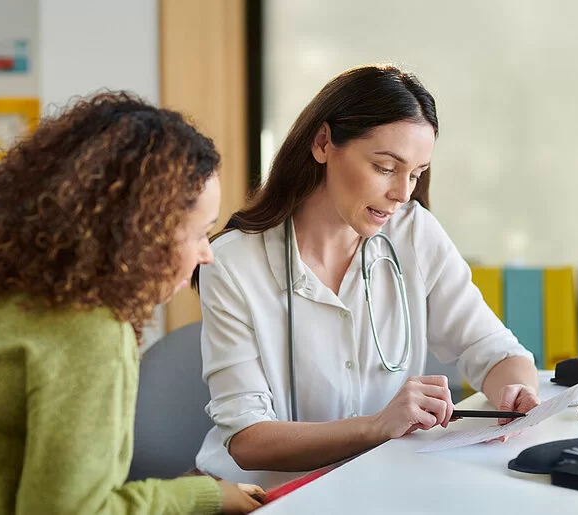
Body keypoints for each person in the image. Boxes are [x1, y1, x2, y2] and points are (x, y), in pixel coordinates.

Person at [0, 92, 263, 514]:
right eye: (197, 233)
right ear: (139, 234)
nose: (206, 253)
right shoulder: (89, 330)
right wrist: (203, 496)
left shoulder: (14, 296)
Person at [192, 65, 541, 488]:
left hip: (374, 485)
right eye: (385, 167)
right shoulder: (233, 262)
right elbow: (247, 442)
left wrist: (518, 393)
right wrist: (378, 426)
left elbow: (497, 352)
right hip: (262, 495)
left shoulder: (414, 232)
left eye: (415, 173)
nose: (403, 193)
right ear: (323, 143)